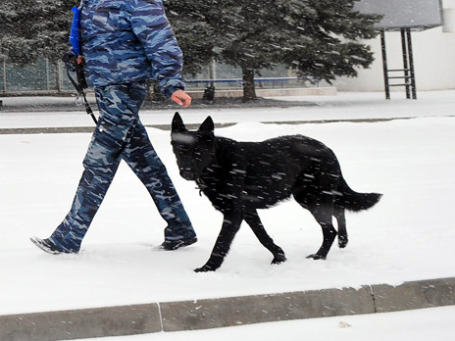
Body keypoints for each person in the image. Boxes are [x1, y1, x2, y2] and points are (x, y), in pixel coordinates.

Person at [31, 0, 197, 254]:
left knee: (100, 159)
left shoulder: (138, 2)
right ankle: (180, 228)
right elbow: (100, 39)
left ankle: (68, 237)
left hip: (125, 87)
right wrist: (79, 55)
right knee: (146, 163)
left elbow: (160, 40)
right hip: (106, 87)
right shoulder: (92, 2)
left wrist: (172, 82)